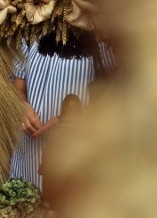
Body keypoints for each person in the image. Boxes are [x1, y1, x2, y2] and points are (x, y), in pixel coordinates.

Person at [10, 40, 116, 188]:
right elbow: (18, 86)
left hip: (76, 161)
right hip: (28, 160)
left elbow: (119, 87)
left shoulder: (97, 32)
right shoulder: (30, 28)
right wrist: (21, 106)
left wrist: (69, 120)